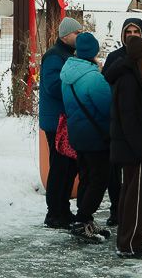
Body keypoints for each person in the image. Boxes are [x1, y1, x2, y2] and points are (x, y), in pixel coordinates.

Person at [103, 18, 142, 230]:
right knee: (123, 175)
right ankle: (119, 213)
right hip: (126, 124)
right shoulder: (116, 59)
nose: (131, 35)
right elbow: (110, 88)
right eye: (128, 31)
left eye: (136, 31)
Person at [61, 32, 113, 242]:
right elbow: (107, 108)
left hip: (77, 133)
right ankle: (83, 219)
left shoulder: (66, 73)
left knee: (85, 176)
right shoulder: (94, 78)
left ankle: (84, 219)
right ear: (94, 52)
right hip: (97, 136)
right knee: (99, 179)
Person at [40, 16, 83, 228]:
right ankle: (55, 212)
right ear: (65, 35)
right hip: (56, 121)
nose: (80, 36)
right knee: (60, 166)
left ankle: (62, 209)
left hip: (65, 119)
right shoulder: (54, 57)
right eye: (77, 33)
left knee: (67, 166)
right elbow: (53, 87)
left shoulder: (65, 55)